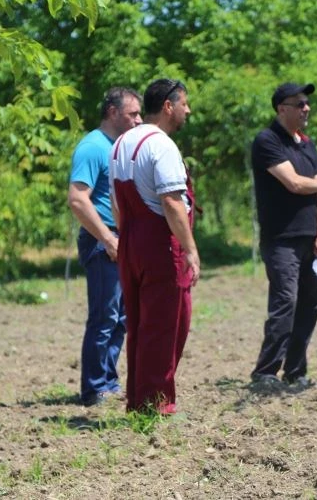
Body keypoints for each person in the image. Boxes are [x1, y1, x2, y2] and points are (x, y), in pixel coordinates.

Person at [109, 79, 198, 414]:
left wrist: (128, 243)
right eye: (185, 103)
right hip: (160, 243)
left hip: (131, 240)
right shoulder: (161, 145)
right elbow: (172, 202)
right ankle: (156, 405)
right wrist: (190, 249)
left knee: (140, 326)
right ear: (168, 106)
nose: (188, 110)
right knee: (165, 325)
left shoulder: (119, 144)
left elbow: (117, 204)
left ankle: (138, 400)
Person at [250, 82, 317, 389]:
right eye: (299, 104)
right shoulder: (267, 140)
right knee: (286, 301)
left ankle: (296, 371)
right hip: (281, 239)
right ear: (281, 108)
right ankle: (266, 372)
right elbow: (295, 184)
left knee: (311, 302)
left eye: (307, 103)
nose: (306, 108)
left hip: (313, 240)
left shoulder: (307, 145)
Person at [68, 86, 142, 407]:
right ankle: (94, 387)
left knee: (122, 318)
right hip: (103, 242)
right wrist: (107, 238)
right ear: (113, 113)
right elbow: (78, 200)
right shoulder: (93, 147)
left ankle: (108, 382)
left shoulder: (119, 147)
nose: (139, 120)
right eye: (133, 114)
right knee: (104, 317)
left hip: (119, 239)